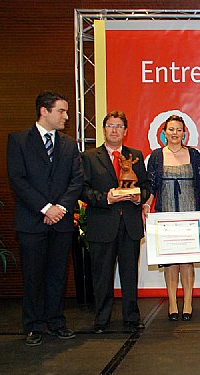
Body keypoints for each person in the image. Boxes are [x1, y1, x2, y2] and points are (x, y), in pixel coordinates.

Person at [7, 91, 84, 346]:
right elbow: (17, 180)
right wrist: (45, 207)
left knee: (57, 275)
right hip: (32, 221)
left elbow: (76, 180)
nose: (66, 116)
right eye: (61, 111)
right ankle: (33, 325)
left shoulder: (69, 144)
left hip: (61, 221)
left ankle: (56, 321)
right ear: (44, 111)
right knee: (33, 275)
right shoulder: (18, 141)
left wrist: (60, 207)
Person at [81, 111, 150, 333]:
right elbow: (82, 190)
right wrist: (105, 199)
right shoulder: (89, 157)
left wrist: (140, 196)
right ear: (104, 129)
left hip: (129, 224)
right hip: (102, 223)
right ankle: (101, 319)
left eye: (119, 126)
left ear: (126, 131)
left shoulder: (135, 155)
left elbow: (147, 186)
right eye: (110, 125)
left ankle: (131, 316)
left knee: (130, 274)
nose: (114, 130)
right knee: (102, 276)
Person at [144, 115, 200, 321]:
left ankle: (188, 303)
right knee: (171, 260)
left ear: (185, 133)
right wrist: (147, 203)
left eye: (179, 129)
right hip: (166, 212)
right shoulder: (156, 156)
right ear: (164, 133)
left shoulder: (194, 155)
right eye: (171, 129)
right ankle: (173, 303)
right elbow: (152, 185)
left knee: (187, 261)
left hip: (190, 212)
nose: (175, 133)